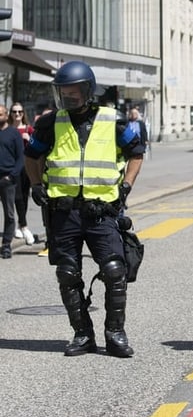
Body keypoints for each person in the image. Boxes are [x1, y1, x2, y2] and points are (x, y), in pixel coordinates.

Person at [24, 61, 145, 357]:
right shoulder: (50, 123)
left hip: (102, 211)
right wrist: (37, 185)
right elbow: (32, 155)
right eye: (63, 92)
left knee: (115, 270)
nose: (68, 97)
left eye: (74, 91)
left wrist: (126, 186)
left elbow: (136, 153)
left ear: (88, 90)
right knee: (67, 273)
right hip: (64, 212)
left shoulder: (113, 120)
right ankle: (82, 335)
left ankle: (115, 334)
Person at [0, 105, 24, 259]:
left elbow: (21, 157)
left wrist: (12, 175)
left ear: (5, 115)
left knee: (9, 214)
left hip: (7, 179)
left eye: (0, 114)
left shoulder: (13, 134)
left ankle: (6, 245)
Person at [9, 102, 35, 245]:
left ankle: (21, 224)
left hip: (27, 167)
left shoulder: (28, 129)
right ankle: (21, 225)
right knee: (16, 197)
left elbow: (36, 146)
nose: (17, 114)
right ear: (10, 114)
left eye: (19, 112)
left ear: (23, 114)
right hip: (13, 168)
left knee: (24, 197)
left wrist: (28, 139)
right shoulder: (7, 129)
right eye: (14, 112)